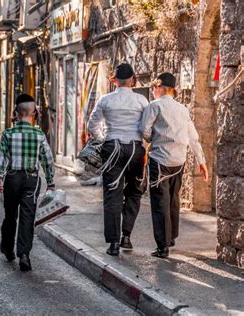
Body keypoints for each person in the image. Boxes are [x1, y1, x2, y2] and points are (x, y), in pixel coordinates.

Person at [140, 73, 209, 258]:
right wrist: (201, 162)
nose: (153, 91)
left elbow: (144, 130)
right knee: (173, 199)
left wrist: (151, 140)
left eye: (154, 87)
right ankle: (171, 238)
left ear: (160, 88)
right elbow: (193, 137)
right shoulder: (183, 109)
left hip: (160, 160)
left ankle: (162, 246)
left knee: (159, 202)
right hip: (179, 161)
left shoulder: (154, 106)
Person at [87, 63, 148, 256]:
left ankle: (113, 243)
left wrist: (103, 140)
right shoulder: (142, 100)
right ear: (132, 79)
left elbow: (92, 125)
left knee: (112, 195)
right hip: (134, 148)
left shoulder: (106, 100)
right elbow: (147, 127)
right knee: (134, 192)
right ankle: (126, 237)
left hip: (113, 146)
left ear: (115, 80)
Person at [0, 94, 55, 271]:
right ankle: (24, 254)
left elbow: (2, 158)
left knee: (10, 215)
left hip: (12, 178)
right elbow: (48, 160)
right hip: (32, 179)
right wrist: (51, 182)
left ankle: (7, 248)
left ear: (15, 112)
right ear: (34, 112)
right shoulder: (39, 135)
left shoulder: (8, 134)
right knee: (27, 216)